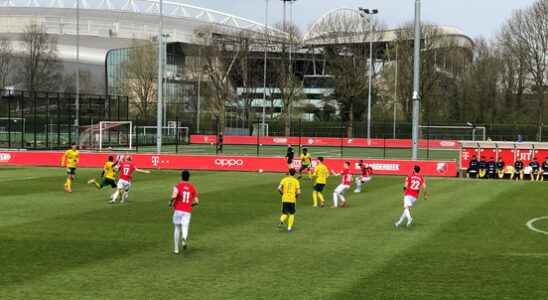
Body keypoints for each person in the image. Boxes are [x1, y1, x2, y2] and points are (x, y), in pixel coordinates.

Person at [170, 170, 199, 254]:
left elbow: (174, 196)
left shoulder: (177, 186)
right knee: (185, 227)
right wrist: (190, 205)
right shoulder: (192, 187)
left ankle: (176, 249)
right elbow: (197, 201)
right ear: (189, 177)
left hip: (178, 209)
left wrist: (170, 202)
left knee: (177, 228)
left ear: (181, 176)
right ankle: (184, 238)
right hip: (187, 211)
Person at [277, 168, 301, 233]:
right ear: (294, 174)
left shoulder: (284, 179)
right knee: (292, 214)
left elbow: (278, 188)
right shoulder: (296, 181)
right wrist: (296, 197)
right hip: (292, 199)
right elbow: (298, 192)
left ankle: (281, 220)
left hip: (285, 198)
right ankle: (289, 228)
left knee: (284, 213)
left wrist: (282, 193)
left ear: (289, 172)